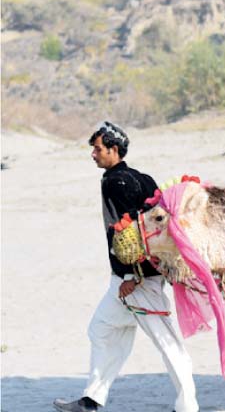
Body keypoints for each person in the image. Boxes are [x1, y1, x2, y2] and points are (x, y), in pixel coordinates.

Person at [54, 121, 199, 412]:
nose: (93, 154)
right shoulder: (143, 178)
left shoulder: (114, 182)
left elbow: (128, 231)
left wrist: (133, 275)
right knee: (102, 329)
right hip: (131, 277)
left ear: (114, 149)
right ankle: (92, 398)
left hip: (137, 280)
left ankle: (187, 406)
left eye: (97, 149)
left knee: (166, 341)